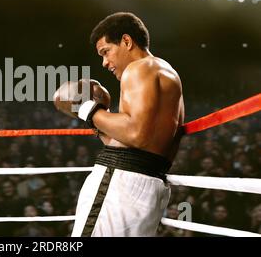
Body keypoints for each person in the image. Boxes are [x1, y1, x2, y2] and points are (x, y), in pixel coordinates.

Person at [53, 12, 184, 236]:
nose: (104, 62)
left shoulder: (139, 68)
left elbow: (136, 134)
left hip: (120, 184)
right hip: (147, 185)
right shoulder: (166, 71)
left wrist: (86, 108)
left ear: (126, 41)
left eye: (106, 52)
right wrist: (98, 120)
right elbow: (136, 141)